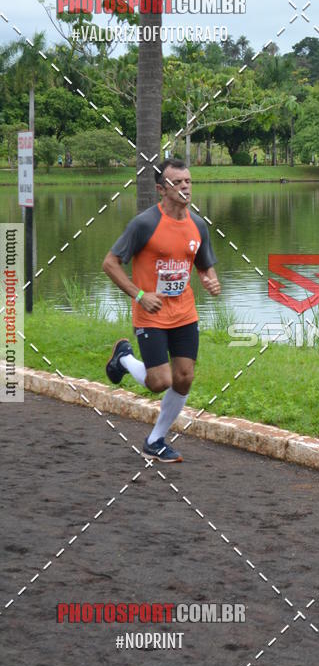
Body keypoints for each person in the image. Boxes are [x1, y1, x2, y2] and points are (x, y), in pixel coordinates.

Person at [102, 158, 220, 462]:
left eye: (188, 181)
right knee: (159, 382)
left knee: (184, 377)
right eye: (176, 182)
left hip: (185, 313)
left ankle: (155, 440)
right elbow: (110, 264)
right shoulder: (144, 224)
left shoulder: (198, 225)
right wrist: (140, 295)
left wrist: (210, 279)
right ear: (161, 189)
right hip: (151, 314)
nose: (184, 187)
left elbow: (204, 265)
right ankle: (124, 358)